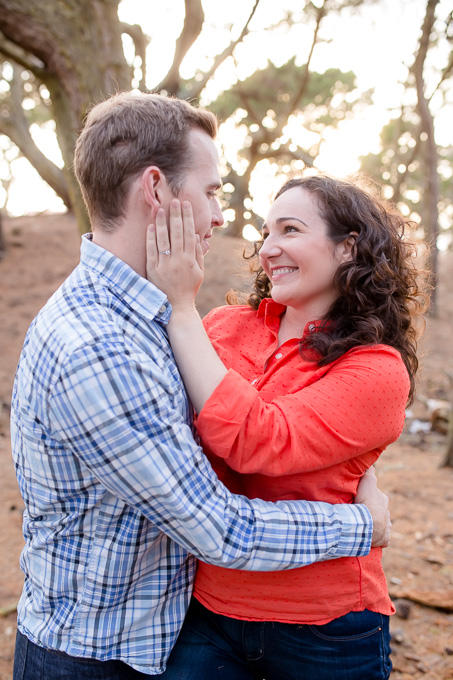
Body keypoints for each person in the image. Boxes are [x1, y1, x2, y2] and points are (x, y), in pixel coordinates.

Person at [10, 92, 390, 680]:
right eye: (212, 192)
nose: (220, 217)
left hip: (168, 639)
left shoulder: (149, 318)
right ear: (157, 190)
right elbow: (219, 528)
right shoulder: (101, 346)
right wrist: (362, 524)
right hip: (95, 656)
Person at [145, 174, 428, 680]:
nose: (269, 248)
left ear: (349, 248)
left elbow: (257, 442)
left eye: (290, 230)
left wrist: (181, 307)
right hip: (208, 606)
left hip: (325, 628)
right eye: (266, 232)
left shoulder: (377, 369)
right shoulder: (224, 325)